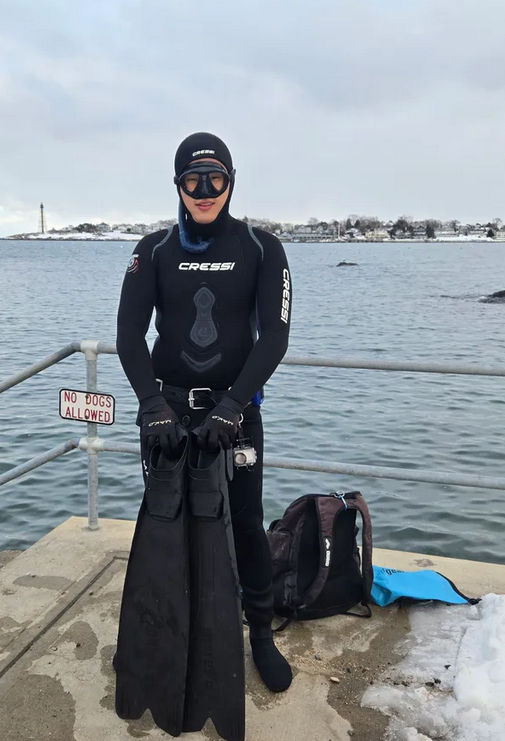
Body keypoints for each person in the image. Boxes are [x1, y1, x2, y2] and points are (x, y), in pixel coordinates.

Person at [115, 131, 294, 693]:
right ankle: (174, 632)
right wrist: (150, 405)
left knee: (244, 522)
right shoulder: (153, 250)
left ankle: (260, 635)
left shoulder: (263, 248)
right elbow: (127, 336)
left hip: (234, 413)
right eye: (193, 180)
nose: (205, 190)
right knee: (170, 525)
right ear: (178, 185)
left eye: (216, 178)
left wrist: (234, 405)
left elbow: (274, 339)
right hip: (169, 415)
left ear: (231, 181)